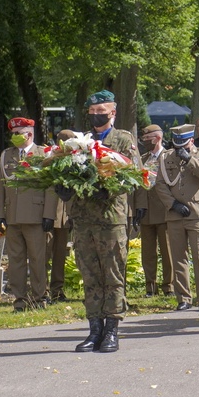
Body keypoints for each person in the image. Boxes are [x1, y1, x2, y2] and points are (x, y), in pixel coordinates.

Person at [64, 90, 142, 353]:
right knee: (90, 275)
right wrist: (63, 188)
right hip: (83, 219)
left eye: (102, 111)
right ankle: (94, 330)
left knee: (112, 275)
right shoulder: (78, 142)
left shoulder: (122, 139)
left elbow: (134, 172)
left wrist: (107, 189)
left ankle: (112, 330)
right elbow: (66, 169)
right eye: (93, 112)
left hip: (111, 219)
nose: (96, 115)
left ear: (113, 113)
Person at [0, 117, 58, 311]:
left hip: (36, 216)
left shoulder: (44, 154)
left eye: (17, 134)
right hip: (13, 217)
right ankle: (20, 300)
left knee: (38, 259)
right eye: (12, 134)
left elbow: (51, 186)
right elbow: (0, 186)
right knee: (16, 261)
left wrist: (49, 215)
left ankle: (40, 298)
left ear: (29, 134)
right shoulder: (7, 155)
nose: (14, 137)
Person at [153, 124, 199, 312]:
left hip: (197, 213)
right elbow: (160, 184)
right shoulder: (166, 157)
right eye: (177, 145)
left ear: (191, 141)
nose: (180, 149)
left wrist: (190, 160)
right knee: (178, 257)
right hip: (174, 214)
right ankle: (183, 298)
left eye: (184, 145)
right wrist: (173, 204)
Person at [135, 124, 173, 297]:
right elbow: (138, 185)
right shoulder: (143, 158)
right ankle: (150, 287)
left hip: (164, 212)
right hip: (146, 211)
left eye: (147, 139)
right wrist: (138, 207)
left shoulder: (169, 156)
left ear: (157, 138)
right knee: (148, 253)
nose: (144, 142)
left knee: (168, 252)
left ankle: (169, 286)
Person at [46, 128, 75, 302]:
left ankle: (57, 290)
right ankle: (42, 290)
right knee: (44, 254)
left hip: (66, 215)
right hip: (50, 213)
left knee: (59, 256)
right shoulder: (49, 160)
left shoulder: (77, 160)